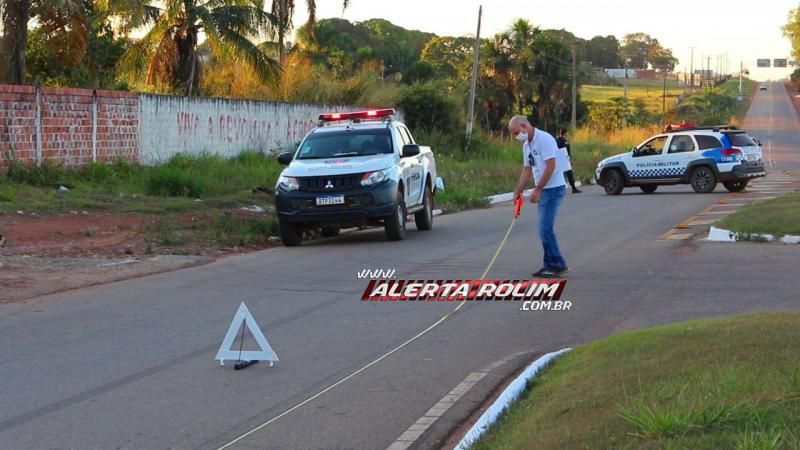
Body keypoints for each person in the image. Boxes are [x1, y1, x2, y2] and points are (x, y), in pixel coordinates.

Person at [509, 116, 569, 277]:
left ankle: (557, 263)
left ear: (524, 126)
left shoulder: (544, 139)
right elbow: (527, 170)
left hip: (553, 188)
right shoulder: (526, 145)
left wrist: (538, 189)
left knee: (544, 228)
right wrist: (518, 191)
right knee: (544, 229)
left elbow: (551, 165)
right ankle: (549, 263)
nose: (515, 137)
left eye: (515, 133)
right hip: (545, 189)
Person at [556, 128, 581, 194]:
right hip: (563, 159)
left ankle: (572, 188)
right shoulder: (560, 141)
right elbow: (561, 150)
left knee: (566, 174)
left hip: (565, 159)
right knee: (568, 174)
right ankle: (572, 188)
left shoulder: (560, 140)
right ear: (565, 133)